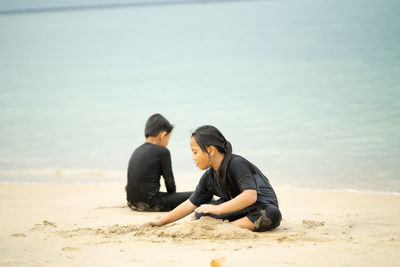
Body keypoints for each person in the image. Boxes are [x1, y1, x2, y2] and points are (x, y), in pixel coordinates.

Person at [147, 125, 282, 232]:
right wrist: (160, 221)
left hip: (261, 207)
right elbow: (190, 204)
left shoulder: (236, 164)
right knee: (200, 213)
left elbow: (250, 196)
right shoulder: (209, 176)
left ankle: (230, 226)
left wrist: (219, 208)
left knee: (272, 214)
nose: (193, 157)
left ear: (210, 150)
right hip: (240, 210)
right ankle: (232, 226)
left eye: (195, 152)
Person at [126, 113, 192, 211]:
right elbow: (170, 184)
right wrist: (173, 198)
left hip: (132, 202)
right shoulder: (163, 151)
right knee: (197, 194)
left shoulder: (137, 150)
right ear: (163, 135)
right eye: (168, 139)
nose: (167, 143)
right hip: (150, 204)